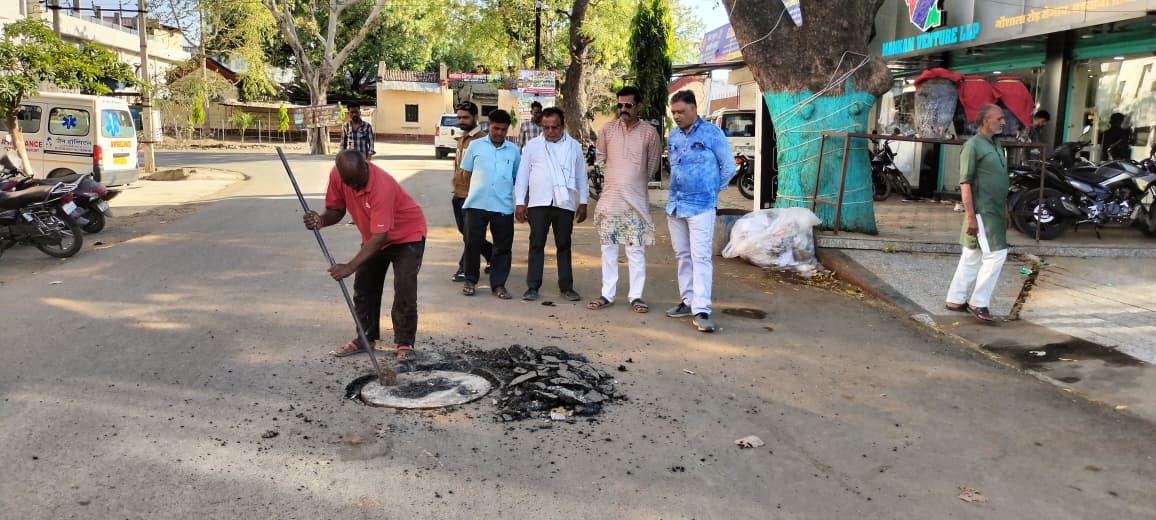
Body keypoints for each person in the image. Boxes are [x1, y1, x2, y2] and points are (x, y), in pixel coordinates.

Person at [302, 150, 427, 360]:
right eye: (350, 184)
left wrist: (349, 267)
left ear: (366, 166)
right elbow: (336, 209)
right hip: (374, 236)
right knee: (364, 286)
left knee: (404, 287)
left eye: (359, 183)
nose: (355, 188)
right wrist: (321, 221)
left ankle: (405, 344)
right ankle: (365, 338)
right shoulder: (338, 175)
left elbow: (380, 237)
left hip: (407, 235)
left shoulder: (382, 186)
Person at [664, 90, 735, 333]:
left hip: (702, 206)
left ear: (694, 109)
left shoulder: (712, 133)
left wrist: (711, 192)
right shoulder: (673, 135)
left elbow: (729, 167)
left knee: (701, 257)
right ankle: (687, 300)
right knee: (682, 255)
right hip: (676, 204)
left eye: (681, 111)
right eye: (673, 112)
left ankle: (702, 309)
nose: (676, 116)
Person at [586, 86, 662, 313]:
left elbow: (651, 167)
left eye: (628, 105)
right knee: (608, 249)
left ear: (638, 107)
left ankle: (636, 296)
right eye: (620, 105)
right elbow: (600, 159)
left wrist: (632, 181)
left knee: (635, 251)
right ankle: (607, 294)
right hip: (610, 202)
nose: (623, 109)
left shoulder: (649, 133)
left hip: (635, 204)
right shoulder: (607, 130)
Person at [514, 107, 588, 302]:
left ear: (562, 126)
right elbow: (523, 175)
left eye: (554, 127)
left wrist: (584, 201)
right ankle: (532, 287)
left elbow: (581, 175)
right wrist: (520, 202)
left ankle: (567, 287)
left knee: (563, 245)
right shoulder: (532, 146)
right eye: (546, 128)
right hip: (539, 203)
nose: (550, 132)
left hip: (565, 203)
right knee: (536, 244)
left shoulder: (574, 147)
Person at [945, 104, 1010, 323]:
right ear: (985, 120)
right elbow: (965, 183)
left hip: (996, 209)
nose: (1003, 122)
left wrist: (1006, 209)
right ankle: (978, 303)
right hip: (983, 211)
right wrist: (971, 216)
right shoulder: (973, 146)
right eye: (999, 118)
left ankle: (955, 299)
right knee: (996, 255)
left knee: (972, 256)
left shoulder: (997, 144)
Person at [459, 109, 519, 299]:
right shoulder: (475, 146)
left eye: (503, 129)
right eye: (495, 128)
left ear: (507, 129)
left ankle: (498, 285)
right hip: (476, 203)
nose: (499, 133)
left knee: (503, 247)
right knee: (472, 243)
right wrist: (473, 191)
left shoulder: (514, 150)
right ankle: (470, 280)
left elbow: (517, 177)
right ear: (488, 125)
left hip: (503, 206)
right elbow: (465, 173)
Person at [450, 102, 492, 282]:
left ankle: (464, 268)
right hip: (458, 193)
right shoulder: (462, 138)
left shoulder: (482, 140)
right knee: (466, 232)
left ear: (475, 118)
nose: (461, 121)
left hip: (474, 196)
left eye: (465, 117)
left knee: (470, 234)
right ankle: (492, 254)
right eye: (459, 117)